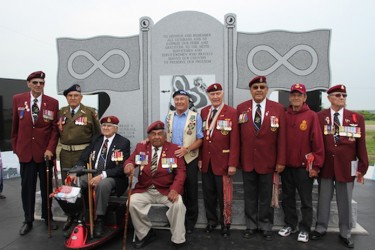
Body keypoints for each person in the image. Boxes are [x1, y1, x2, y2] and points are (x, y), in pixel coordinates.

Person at [311, 84, 369, 248]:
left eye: (344, 96)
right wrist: (315, 165)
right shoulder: (320, 117)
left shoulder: (356, 118)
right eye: (337, 95)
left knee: (345, 202)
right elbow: (316, 143)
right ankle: (320, 228)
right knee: (323, 200)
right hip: (326, 166)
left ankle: (345, 232)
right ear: (329, 98)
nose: (341, 98)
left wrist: (362, 167)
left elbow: (361, 145)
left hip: (346, 167)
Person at [237, 75, 286, 240]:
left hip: (268, 161)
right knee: (249, 195)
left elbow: (282, 138)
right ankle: (250, 225)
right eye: (255, 87)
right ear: (250, 90)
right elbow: (237, 138)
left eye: (262, 87)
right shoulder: (241, 108)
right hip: (248, 161)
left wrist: (280, 161)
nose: (258, 90)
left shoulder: (278, 109)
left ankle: (266, 225)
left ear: (267, 90)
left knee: (266, 196)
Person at [124, 121, 186, 248]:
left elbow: (181, 172)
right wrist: (129, 166)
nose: (156, 137)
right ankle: (145, 233)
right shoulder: (141, 147)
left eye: (160, 134)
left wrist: (175, 190)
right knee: (131, 202)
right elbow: (130, 161)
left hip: (166, 190)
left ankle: (178, 239)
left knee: (178, 204)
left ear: (165, 135)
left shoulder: (174, 149)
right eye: (153, 134)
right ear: (149, 136)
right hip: (145, 189)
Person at [11, 71, 59, 235]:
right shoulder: (18, 99)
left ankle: (48, 217)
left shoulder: (52, 103)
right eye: (35, 82)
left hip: (44, 155)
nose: (39, 85)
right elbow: (15, 127)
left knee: (47, 189)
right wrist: (16, 148)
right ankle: (28, 220)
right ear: (29, 84)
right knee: (27, 189)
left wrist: (50, 149)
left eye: (41, 83)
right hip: (25, 153)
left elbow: (54, 130)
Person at [67, 115, 130, 238]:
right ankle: (79, 216)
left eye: (109, 126)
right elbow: (84, 157)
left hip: (113, 177)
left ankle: (100, 218)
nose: (106, 128)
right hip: (93, 173)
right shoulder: (97, 139)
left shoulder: (123, 142)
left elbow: (121, 168)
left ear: (116, 128)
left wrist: (102, 175)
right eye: (104, 125)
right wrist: (76, 171)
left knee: (103, 184)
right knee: (75, 182)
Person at [278, 83, 324, 243]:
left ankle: (304, 228)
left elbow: (317, 142)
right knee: (287, 198)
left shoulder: (311, 116)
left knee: (306, 200)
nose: (296, 98)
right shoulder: (284, 115)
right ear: (290, 97)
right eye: (293, 95)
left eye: (299, 95)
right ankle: (290, 224)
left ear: (304, 97)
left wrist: (316, 166)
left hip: (304, 168)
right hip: (287, 167)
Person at [58, 83, 101, 231]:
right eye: (70, 96)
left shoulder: (89, 112)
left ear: (81, 97)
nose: (73, 98)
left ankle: (85, 216)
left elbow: (97, 134)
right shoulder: (61, 112)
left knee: (82, 186)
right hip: (65, 155)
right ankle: (71, 215)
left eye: (76, 95)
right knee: (67, 187)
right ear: (66, 98)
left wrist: (90, 154)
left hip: (82, 154)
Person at [199, 83, 240, 237]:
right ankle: (211, 221)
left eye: (218, 94)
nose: (215, 97)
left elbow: (235, 141)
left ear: (222, 94)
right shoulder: (203, 112)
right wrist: (201, 159)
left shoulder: (232, 112)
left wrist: (232, 163)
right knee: (208, 195)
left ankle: (225, 223)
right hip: (207, 163)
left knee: (224, 196)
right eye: (212, 94)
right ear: (208, 96)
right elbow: (202, 138)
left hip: (223, 162)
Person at [165, 90, 203, 234]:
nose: (179, 101)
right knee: (173, 188)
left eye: (182, 99)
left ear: (188, 101)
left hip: (189, 158)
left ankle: (190, 222)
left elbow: (200, 139)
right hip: (171, 159)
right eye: (177, 99)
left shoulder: (195, 117)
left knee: (191, 190)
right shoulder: (168, 116)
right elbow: (163, 135)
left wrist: (186, 149)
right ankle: (174, 219)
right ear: (174, 101)